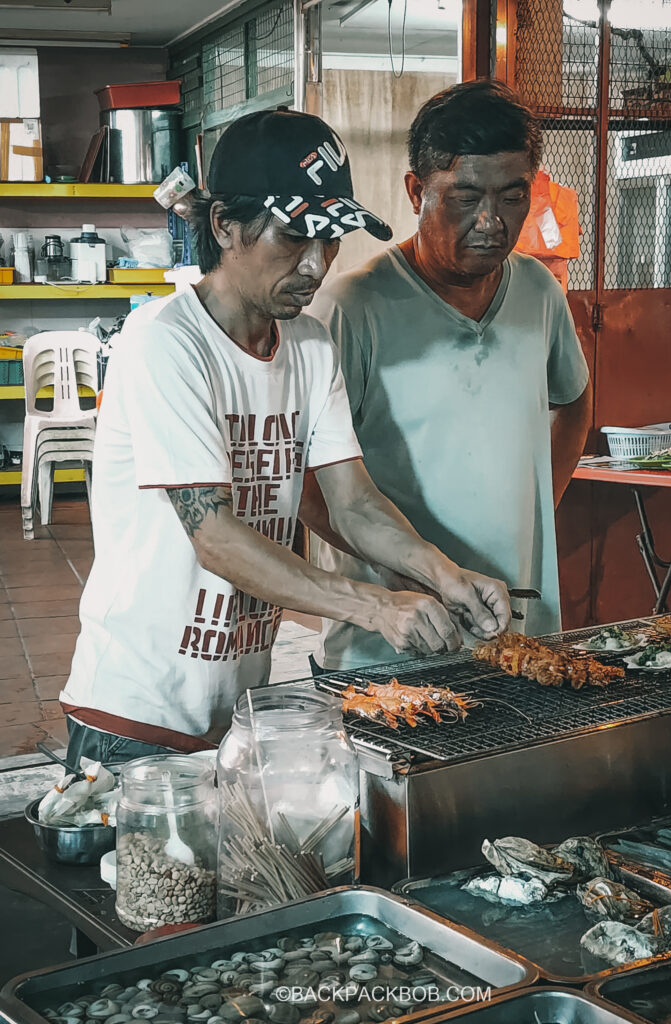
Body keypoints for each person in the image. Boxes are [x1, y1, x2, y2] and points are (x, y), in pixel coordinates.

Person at [60, 109, 511, 767]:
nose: (315, 264)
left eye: (330, 241)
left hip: (233, 710)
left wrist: (443, 574)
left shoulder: (308, 346)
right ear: (224, 226)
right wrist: (376, 607)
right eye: (295, 236)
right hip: (133, 717)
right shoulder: (165, 344)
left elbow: (352, 504)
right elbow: (213, 536)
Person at [302, 80, 592, 673]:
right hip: (392, 642)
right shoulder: (350, 310)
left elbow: (574, 401)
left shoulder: (540, 292)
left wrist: (541, 508)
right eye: (465, 197)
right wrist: (396, 569)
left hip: (520, 626)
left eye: (514, 197)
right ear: (416, 191)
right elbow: (304, 477)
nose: (491, 222)